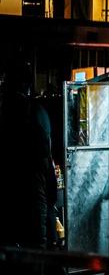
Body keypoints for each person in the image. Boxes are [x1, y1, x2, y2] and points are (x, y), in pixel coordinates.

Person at [0, 55, 59, 265]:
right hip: (34, 194)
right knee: (36, 253)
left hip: (11, 195)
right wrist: (52, 195)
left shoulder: (6, 111)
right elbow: (46, 158)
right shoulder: (37, 112)